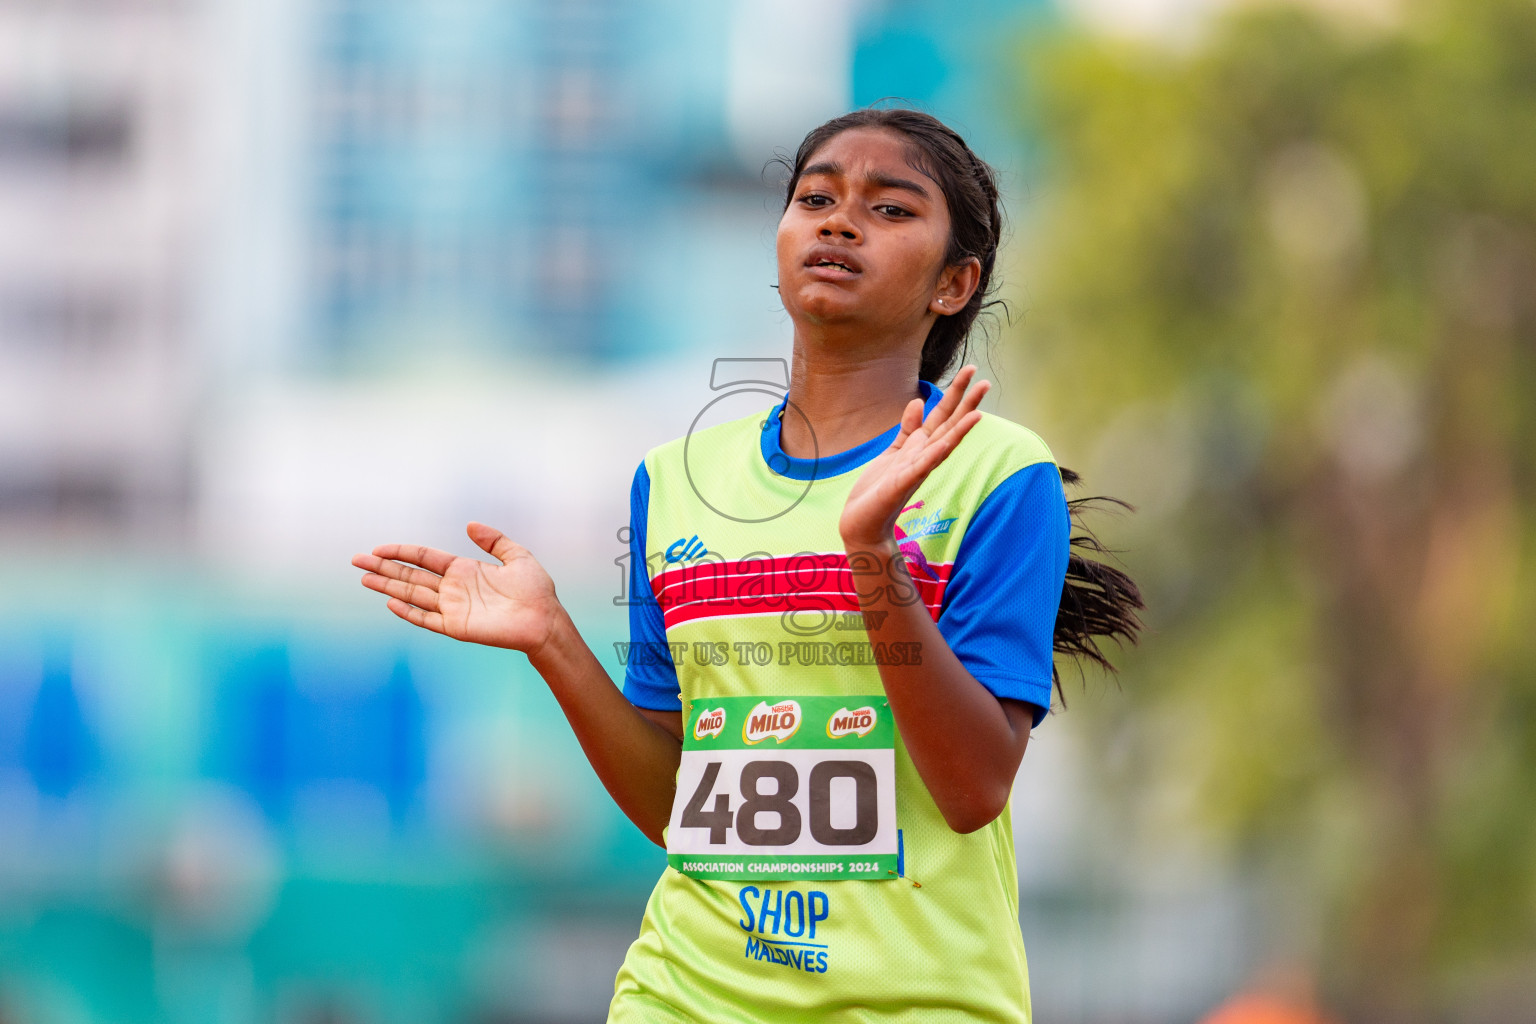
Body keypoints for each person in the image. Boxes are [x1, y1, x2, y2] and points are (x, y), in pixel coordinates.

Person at [352, 108, 1142, 1023]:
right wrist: (553, 641)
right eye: (816, 199)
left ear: (954, 283)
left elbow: (971, 792)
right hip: (685, 995)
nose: (840, 223)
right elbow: (676, 809)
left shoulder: (1000, 475)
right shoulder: (678, 480)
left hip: (914, 1002)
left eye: (890, 210)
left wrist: (872, 557)